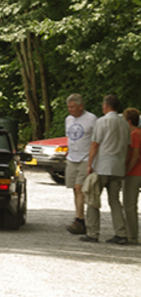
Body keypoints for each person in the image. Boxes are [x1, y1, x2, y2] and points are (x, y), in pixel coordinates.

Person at [81, 93, 130, 245]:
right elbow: (128, 147)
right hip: (118, 167)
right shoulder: (124, 123)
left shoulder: (102, 122)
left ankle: (93, 233)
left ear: (106, 106)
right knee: (115, 201)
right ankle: (121, 233)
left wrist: (89, 164)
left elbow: (95, 143)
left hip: (103, 166)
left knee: (93, 199)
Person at [64, 93, 97, 235]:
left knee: (80, 188)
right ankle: (79, 216)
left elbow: (96, 140)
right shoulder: (68, 120)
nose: (70, 110)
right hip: (72, 158)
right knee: (74, 188)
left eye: (73, 107)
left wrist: (92, 160)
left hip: (85, 158)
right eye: (69, 107)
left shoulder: (91, 119)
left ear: (80, 106)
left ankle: (80, 220)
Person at [122, 107, 141, 245]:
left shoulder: (134, 134)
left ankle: (132, 236)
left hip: (134, 173)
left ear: (128, 121)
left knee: (129, 205)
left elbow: (135, 156)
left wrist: (126, 171)